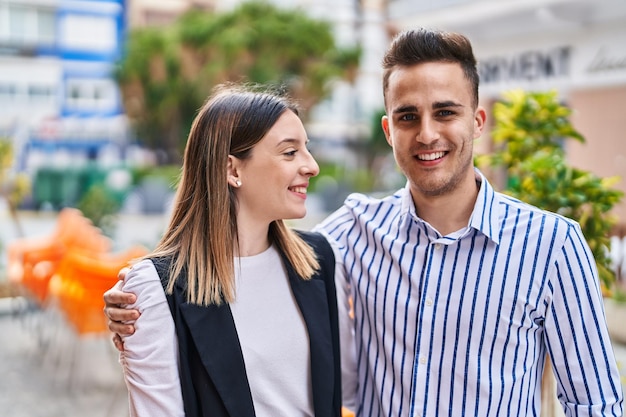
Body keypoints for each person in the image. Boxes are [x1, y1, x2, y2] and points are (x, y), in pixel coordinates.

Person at [104, 29, 624, 416]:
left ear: (478, 122)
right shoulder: (350, 233)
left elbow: (597, 401)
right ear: (387, 129)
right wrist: (144, 298)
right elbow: (240, 250)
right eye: (407, 116)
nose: (426, 134)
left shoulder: (552, 244)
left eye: (446, 112)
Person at [107, 82, 357, 417]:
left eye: (306, 149)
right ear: (232, 169)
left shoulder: (321, 260)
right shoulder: (155, 289)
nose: (312, 166)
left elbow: (351, 386)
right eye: (289, 152)